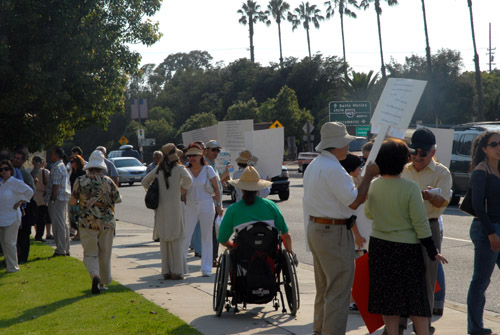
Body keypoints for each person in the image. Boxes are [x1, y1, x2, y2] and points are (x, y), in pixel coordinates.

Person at [303, 122, 379, 335]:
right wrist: (369, 175)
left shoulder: (316, 164)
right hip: (332, 231)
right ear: (337, 145)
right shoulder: (333, 168)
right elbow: (354, 202)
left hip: (318, 228)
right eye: (346, 143)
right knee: (338, 290)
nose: (348, 147)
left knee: (325, 288)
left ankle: (320, 330)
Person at [365, 138, 447, 335]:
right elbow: (420, 223)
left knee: (389, 302)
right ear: (403, 162)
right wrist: (432, 249)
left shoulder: (374, 185)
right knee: (416, 301)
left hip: (380, 246)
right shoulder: (410, 188)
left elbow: (369, 213)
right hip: (406, 249)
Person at [400, 127, 452, 334]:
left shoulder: (441, 172)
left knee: (427, 277)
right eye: (415, 152)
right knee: (402, 276)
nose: (418, 157)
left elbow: (443, 203)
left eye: (424, 153)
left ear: (433, 151)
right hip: (404, 226)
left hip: (429, 225)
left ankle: (424, 322)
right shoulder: (404, 170)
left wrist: (431, 197)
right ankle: (400, 323)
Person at [218, 166, 297, 263]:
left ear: (241, 189)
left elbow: (222, 239)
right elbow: (286, 235)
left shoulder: (233, 209)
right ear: (258, 188)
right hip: (269, 254)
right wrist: (290, 252)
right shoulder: (271, 206)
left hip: (243, 255)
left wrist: (233, 246)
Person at [69, 150, 121, 294]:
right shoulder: (108, 181)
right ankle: (103, 282)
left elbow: (73, 201)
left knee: (90, 253)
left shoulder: (80, 181)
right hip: (107, 222)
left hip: (87, 222)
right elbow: (118, 199)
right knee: (105, 254)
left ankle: (94, 275)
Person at [142, 144, 192, 280]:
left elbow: (145, 181)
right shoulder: (180, 169)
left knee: (164, 240)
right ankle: (177, 271)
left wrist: (155, 191)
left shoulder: (159, 169)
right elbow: (189, 180)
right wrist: (181, 189)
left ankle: (166, 271)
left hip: (161, 208)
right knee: (176, 239)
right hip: (175, 207)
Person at [467, 131, 500, 335]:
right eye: (494, 144)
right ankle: (475, 327)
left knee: (482, 280)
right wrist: (490, 233)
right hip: (486, 229)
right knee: (481, 280)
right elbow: (478, 205)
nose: (499, 147)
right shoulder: (481, 171)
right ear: (485, 149)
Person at [183, 143, 223, 277]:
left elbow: (217, 189)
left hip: (206, 204)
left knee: (207, 237)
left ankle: (206, 267)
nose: (192, 158)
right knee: (186, 236)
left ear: (201, 156)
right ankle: (181, 267)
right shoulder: (185, 170)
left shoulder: (208, 170)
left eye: (195, 155)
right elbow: (181, 190)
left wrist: (219, 205)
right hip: (190, 206)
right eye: (189, 156)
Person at [0, 160, 34, 273]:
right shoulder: (2, 184)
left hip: (12, 217)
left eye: (6, 169)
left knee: (10, 242)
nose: (3, 171)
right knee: (4, 243)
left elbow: (29, 191)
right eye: (1, 170)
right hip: (2, 216)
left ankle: (13, 266)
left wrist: (20, 202)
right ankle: (9, 265)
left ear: (10, 170)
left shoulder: (15, 182)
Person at [205, 140, 231, 267]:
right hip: (211, 204)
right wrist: (218, 205)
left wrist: (222, 181)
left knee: (214, 233)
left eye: (217, 150)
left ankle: (212, 258)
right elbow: (209, 186)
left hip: (215, 203)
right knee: (212, 234)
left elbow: (215, 183)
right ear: (206, 150)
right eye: (213, 150)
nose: (216, 153)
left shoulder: (212, 164)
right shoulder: (205, 165)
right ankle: (211, 259)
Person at [45, 146, 72, 257]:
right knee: (63, 224)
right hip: (63, 198)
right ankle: (65, 248)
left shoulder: (56, 167)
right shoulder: (62, 166)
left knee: (58, 224)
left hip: (57, 199)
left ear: (57, 155)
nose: (50, 156)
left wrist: (52, 199)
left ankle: (60, 249)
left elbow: (55, 186)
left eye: (51, 154)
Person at [12, 150, 36, 263]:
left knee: (24, 234)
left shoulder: (24, 174)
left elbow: (32, 190)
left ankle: (22, 257)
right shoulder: (13, 171)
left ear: (23, 161)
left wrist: (21, 200)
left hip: (26, 207)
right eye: (14, 158)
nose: (15, 160)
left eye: (18, 158)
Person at [31, 156, 51, 241]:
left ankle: (37, 234)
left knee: (36, 217)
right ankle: (39, 235)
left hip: (34, 196)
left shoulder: (31, 173)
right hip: (42, 197)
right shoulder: (45, 172)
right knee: (42, 217)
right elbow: (49, 185)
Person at [69, 155, 86, 241]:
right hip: (73, 195)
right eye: (70, 162)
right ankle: (78, 232)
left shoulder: (82, 172)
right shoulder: (73, 172)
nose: (71, 163)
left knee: (78, 216)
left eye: (73, 161)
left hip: (79, 196)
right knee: (73, 216)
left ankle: (79, 234)